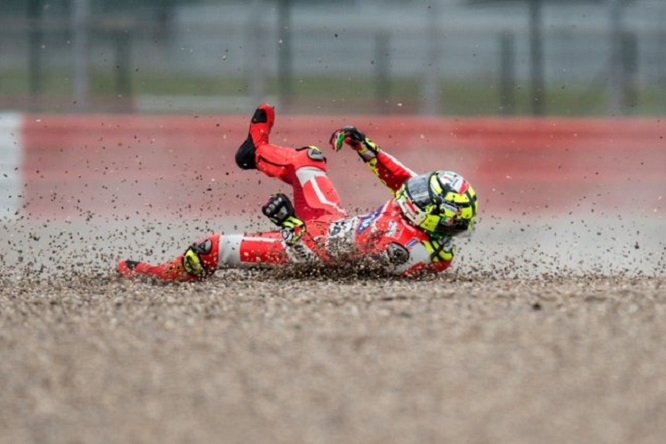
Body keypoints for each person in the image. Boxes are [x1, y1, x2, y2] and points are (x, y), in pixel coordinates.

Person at [117, 104, 478, 281]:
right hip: (333, 223)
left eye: (420, 197)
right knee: (309, 160)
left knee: (210, 249)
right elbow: (404, 180)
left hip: (305, 246)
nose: (410, 191)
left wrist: (289, 221)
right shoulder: (429, 231)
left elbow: (328, 259)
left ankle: (158, 273)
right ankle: (256, 150)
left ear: (429, 215)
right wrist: (365, 148)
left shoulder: (401, 249)